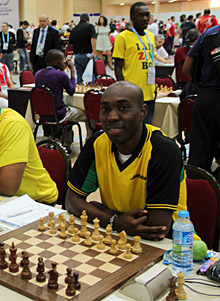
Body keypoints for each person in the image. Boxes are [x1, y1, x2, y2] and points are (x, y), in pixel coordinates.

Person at [65, 82, 187, 240]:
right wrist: (115, 221)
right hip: (119, 237)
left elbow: (157, 228)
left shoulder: (163, 151)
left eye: (123, 108)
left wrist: (105, 212)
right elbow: (71, 201)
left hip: (171, 246)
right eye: (105, 109)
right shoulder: (97, 143)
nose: (112, 117)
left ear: (142, 112)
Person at [183, 23, 220, 173]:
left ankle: (197, 192)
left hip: (207, 98)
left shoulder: (209, 34)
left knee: (199, 157)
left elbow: (187, 68)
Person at [113, 2, 156, 125]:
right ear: (131, 17)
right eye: (140, 15)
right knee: (132, 131)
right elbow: (117, 67)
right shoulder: (123, 37)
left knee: (148, 129)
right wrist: (123, 91)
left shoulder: (151, 36)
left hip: (150, 92)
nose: (145, 19)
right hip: (131, 94)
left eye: (147, 15)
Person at [35, 49, 86, 149]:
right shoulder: (61, 75)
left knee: (70, 113)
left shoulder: (38, 74)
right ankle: (87, 141)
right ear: (54, 61)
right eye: (62, 59)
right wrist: (72, 71)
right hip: (59, 114)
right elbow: (71, 91)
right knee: (85, 114)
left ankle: (65, 142)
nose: (64, 61)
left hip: (42, 114)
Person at [69, 13, 96, 83]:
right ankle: (91, 92)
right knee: (90, 75)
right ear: (88, 20)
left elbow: (71, 42)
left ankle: (80, 91)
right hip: (88, 55)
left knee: (79, 76)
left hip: (77, 55)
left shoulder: (74, 29)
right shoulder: (90, 27)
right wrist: (94, 51)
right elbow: (93, 39)